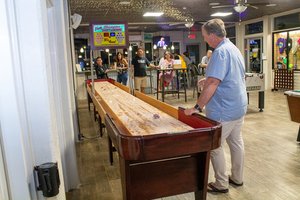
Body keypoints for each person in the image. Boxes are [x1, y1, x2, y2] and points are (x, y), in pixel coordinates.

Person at [184, 18, 247, 194]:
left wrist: (197, 107)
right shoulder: (233, 48)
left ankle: (221, 183)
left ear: (212, 35)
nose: (204, 39)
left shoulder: (219, 52)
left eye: (205, 36)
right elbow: (231, 75)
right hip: (239, 106)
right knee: (236, 142)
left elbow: (212, 83)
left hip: (224, 109)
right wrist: (209, 78)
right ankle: (237, 177)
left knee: (214, 146)